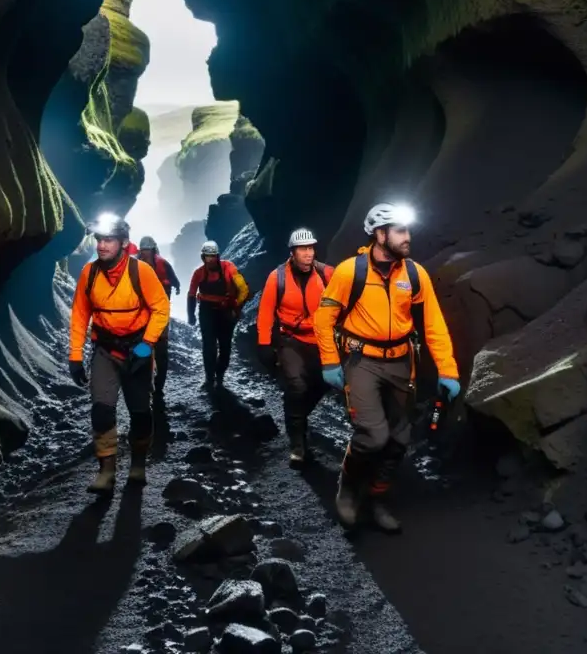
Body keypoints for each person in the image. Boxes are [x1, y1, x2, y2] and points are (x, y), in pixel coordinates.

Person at [314, 202, 460, 532]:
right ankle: (349, 491)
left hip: (400, 361)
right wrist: (329, 362)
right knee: (373, 435)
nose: (408, 237)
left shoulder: (414, 273)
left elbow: (433, 324)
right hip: (362, 361)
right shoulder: (350, 272)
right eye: (400, 231)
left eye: (407, 230)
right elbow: (324, 319)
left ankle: (378, 497)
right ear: (380, 235)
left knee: (398, 438)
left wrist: (447, 370)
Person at [69, 213, 170, 494]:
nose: (102, 246)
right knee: (102, 410)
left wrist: (144, 346)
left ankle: (138, 464)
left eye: (109, 240)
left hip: (137, 347)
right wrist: (75, 356)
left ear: (124, 243)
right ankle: (107, 472)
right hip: (105, 349)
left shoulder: (141, 272)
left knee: (140, 412)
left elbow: (161, 309)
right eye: (99, 240)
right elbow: (79, 316)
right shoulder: (89, 274)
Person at [256, 228, 334, 466]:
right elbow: (266, 313)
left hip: (321, 340)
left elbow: (345, 304)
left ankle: (296, 417)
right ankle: (297, 444)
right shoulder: (277, 277)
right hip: (291, 340)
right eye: (303, 249)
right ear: (292, 252)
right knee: (297, 386)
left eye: (311, 248)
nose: (308, 254)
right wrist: (264, 344)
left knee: (323, 383)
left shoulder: (327, 274)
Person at [187, 240, 250, 390]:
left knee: (225, 345)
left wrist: (236, 305)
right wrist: (191, 315)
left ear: (218, 256)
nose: (210, 260)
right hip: (207, 311)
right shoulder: (199, 273)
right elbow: (191, 294)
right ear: (203, 257)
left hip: (225, 311)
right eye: (207, 257)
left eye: (212, 256)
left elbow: (243, 288)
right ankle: (209, 377)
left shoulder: (229, 268)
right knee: (208, 346)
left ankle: (220, 375)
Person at [137, 236, 181, 403]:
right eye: (144, 250)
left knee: (161, 349)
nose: (146, 253)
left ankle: (158, 385)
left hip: (158, 312)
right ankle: (146, 381)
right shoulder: (135, 264)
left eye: (148, 250)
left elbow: (174, 279)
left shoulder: (162, 264)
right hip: (141, 312)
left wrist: (176, 287)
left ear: (153, 250)